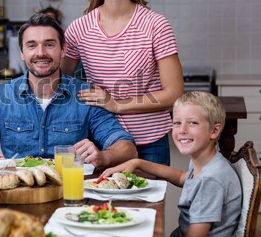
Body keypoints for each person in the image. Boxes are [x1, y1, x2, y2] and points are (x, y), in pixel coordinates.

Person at [0, 0, 183, 166]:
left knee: (148, 201)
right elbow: (53, 79)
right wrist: (4, 91)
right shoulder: (80, 28)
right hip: (98, 142)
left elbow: (174, 93)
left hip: (149, 142)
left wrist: (116, 104)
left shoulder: (156, 25)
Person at [0, 13, 137, 168]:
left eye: (49, 44)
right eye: (32, 45)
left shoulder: (87, 96)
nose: (41, 53)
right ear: (22, 52)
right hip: (17, 192)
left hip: (69, 192)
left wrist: (103, 156)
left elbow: (127, 149)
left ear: (63, 50)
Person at [101, 92, 242, 237]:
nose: (182, 130)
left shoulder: (210, 180)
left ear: (215, 130)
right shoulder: (206, 163)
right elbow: (182, 177)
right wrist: (138, 163)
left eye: (192, 123)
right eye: (177, 123)